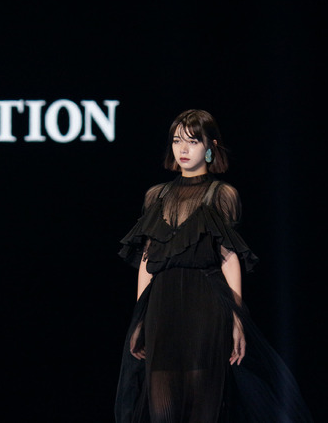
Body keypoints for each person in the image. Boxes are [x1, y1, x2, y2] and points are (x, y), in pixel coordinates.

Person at [114, 110, 312, 423]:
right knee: (162, 409)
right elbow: (148, 260)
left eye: (192, 141)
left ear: (210, 146)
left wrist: (237, 320)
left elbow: (229, 258)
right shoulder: (156, 196)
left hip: (205, 307)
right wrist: (139, 320)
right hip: (161, 308)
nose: (182, 149)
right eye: (177, 140)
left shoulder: (221, 195)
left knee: (201, 407)